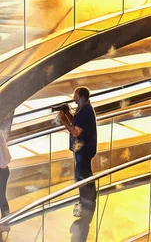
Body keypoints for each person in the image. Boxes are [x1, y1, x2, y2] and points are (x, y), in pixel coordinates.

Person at [58, 87, 97, 218]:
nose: (73, 98)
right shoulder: (85, 109)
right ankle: (89, 200)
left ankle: (85, 204)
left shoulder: (84, 112)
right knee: (86, 173)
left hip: (83, 150)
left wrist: (63, 120)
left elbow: (75, 131)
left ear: (81, 97)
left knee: (80, 176)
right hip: (85, 148)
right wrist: (68, 113)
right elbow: (76, 122)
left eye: (75, 96)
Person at [0, 130, 11, 233]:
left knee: (1, 197)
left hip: (1, 170)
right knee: (1, 197)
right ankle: (5, 222)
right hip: (3, 169)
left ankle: (5, 223)